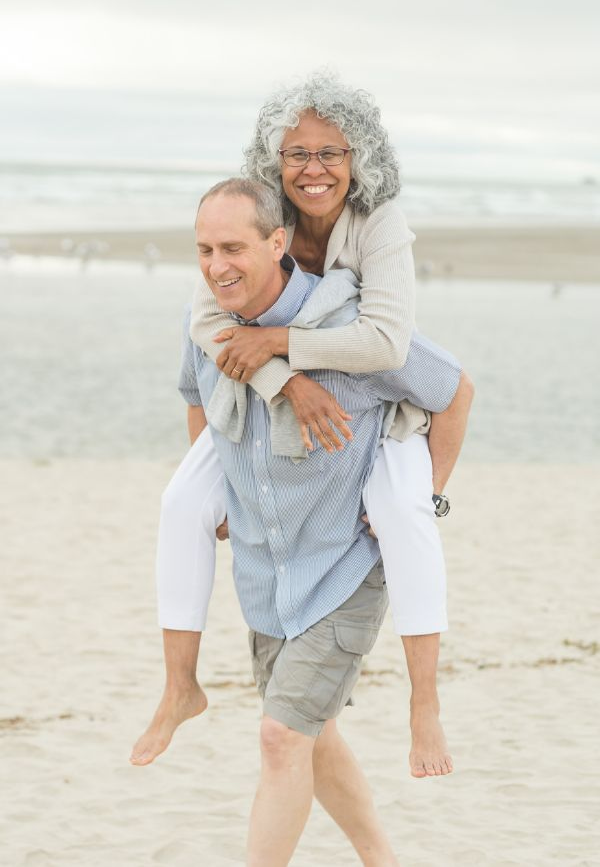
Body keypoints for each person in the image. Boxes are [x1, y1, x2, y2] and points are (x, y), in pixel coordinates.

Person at [130, 73, 474, 777]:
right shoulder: (252, 221)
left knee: (403, 517)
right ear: (274, 161)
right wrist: (280, 379)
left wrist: (284, 347)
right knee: (179, 504)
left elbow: (383, 344)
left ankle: (425, 703)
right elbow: (205, 323)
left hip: (377, 394)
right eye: (296, 154)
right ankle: (178, 686)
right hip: (254, 392)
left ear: (359, 157)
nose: (313, 169)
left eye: (330, 152)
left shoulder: (380, 225)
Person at [167, 179, 464, 865]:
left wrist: (427, 499)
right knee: (309, 730)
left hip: (346, 566)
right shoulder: (208, 322)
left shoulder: (350, 327)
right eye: (206, 250)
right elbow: (196, 395)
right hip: (267, 571)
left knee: (280, 737)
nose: (217, 266)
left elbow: (453, 393)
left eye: (233, 247)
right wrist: (212, 492)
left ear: (277, 242)